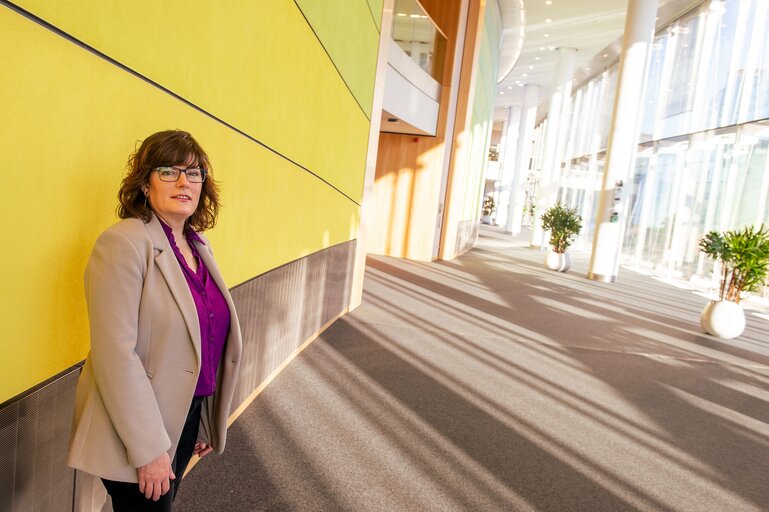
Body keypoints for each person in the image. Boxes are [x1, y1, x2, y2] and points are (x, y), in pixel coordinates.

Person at [67, 130, 242, 511]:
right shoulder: (123, 244)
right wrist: (148, 448)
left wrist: (202, 419)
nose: (184, 182)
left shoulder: (197, 245)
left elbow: (205, 336)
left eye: (194, 173)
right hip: (136, 427)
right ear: (144, 184)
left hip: (183, 416)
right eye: (168, 171)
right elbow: (116, 355)